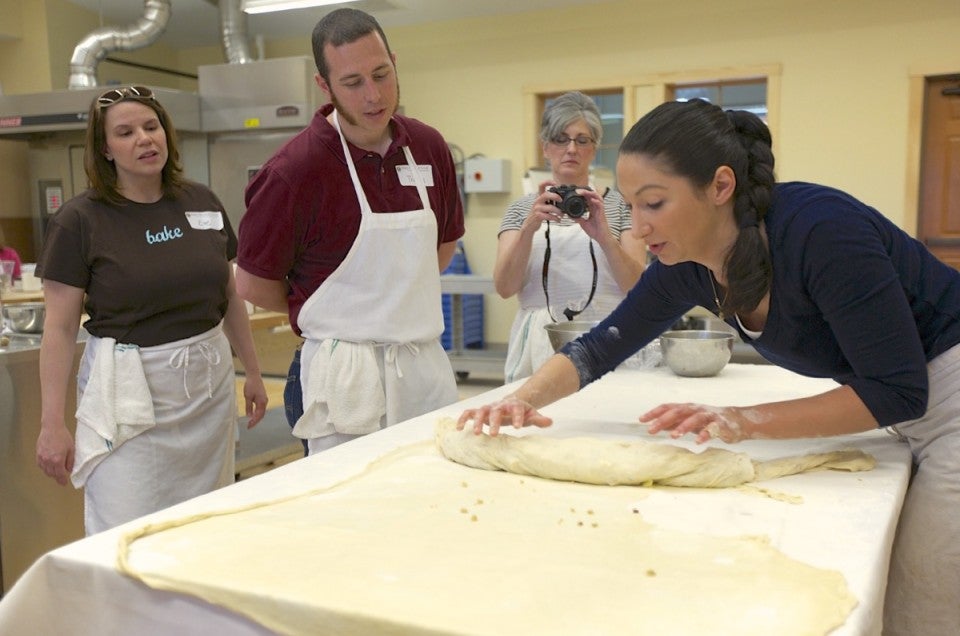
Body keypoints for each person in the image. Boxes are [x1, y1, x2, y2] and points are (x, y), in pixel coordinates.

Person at [458, 98, 960, 636]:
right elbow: (602, 345)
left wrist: (744, 422)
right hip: (902, 405)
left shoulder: (821, 231)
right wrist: (519, 400)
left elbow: (898, 390)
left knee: (921, 600)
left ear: (721, 187)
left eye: (653, 203)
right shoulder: (689, 262)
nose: (641, 227)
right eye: (632, 205)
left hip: (949, 395)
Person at [34, 85, 268, 535]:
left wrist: (253, 372)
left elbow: (228, 293)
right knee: (129, 526)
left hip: (207, 390)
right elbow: (60, 330)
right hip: (129, 399)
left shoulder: (201, 202)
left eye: (151, 126)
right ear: (105, 148)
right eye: (125, 132)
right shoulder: (79, 221)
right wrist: (52, 424)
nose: (144, 138)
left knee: (205, 520)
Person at [236, 8, 465, 456]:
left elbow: (442, 246)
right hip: (344, 377)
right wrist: (336, 312)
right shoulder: (295, 171)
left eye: (382, 74)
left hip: (423, 368)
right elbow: (252, 284)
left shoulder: (429, 146)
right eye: (353, 82)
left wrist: (394, 299)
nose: (374, 95)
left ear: (395, 63)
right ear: (324, 85)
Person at [495, 91, 646, 382]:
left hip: (608, 336)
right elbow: (504, 287)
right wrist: (529, 229)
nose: (571, 149)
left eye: (582, 140)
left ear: (594, 148)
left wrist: (603, 236)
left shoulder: (619, 206)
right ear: (545, 147)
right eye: (561, 139)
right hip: (539, 343)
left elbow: (636, 286)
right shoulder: (521, 209)